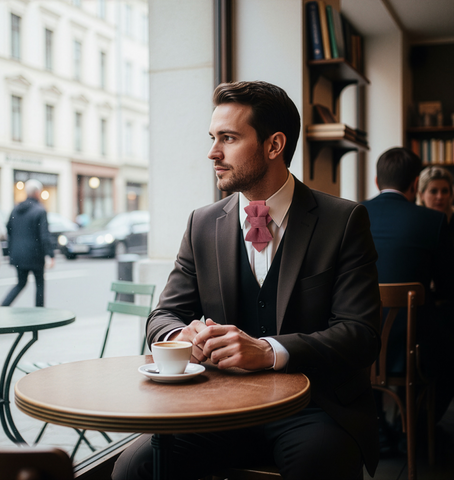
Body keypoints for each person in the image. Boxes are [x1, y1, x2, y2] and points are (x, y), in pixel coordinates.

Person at [113, 81, 381, 480]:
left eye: (228, 138)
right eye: (212, 137)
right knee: (133, 469)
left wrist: (269, 351)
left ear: (274, 146)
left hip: (313, 408)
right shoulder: (202, 223)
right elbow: (163, 317)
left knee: (321, 465)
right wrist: (181, 336)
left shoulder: (343, 221)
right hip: (217, 405)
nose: (212, 152)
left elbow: (360, 335)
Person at [362, 148, 454, 446]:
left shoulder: (351, 214)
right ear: (415, 184)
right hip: (414, 345)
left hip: (360, 342)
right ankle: (416, 428)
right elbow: (448, 287)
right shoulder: (433, 222)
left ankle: (377, 431)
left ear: (377, 181)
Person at [1, 179, 55, 307]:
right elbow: (44, 235)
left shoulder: (15, 209)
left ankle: (3, 306)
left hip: (18, 254)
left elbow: (8, 230)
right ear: (37, 193)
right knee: (39, 285)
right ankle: (39, 314)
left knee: (20, 283)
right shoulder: (40, 210)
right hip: (35, 254)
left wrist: (11, 251)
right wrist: (50, 255)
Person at [417, 165, 454, 241]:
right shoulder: (414, 224)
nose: (440, 197)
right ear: (421, 195)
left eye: (445, 191)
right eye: (433, 191)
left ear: (451, 194)